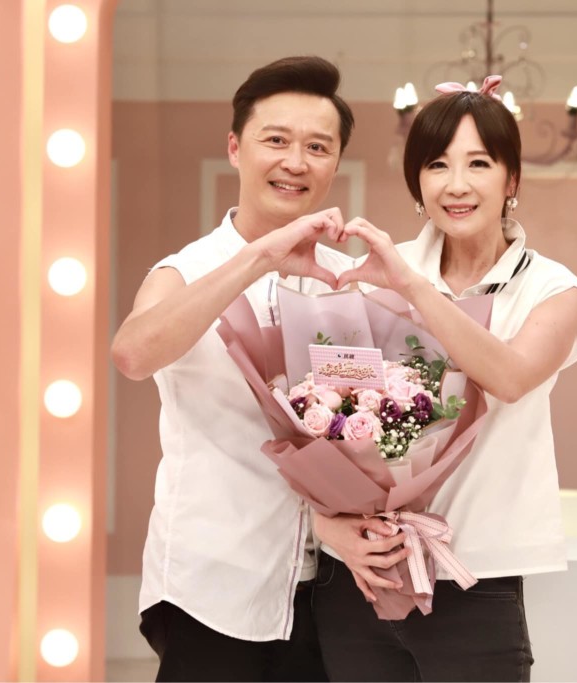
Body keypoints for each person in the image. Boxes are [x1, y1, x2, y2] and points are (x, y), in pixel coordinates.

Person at [109, 55, 402, 682]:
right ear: (235, 149)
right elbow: (133, 354)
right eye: (276, 140)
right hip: (214, 583)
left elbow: (364, 437)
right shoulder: (185, 270)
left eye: (317, 147)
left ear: (335, 163)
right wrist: (260, 258)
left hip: (330, 590)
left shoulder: (348, 282)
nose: (296, 162)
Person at [313, 75, 577, 682]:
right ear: (418, 181)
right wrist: (336, 527)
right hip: (364, 572)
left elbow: (509, 378)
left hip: (476, 577)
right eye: (438, 165)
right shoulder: (375, 274)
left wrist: (413, 288)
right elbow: (328, 410)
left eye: (479, 163)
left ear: (512, 180)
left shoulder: (553, 289)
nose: (457, 184)